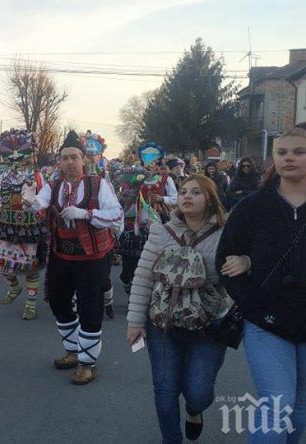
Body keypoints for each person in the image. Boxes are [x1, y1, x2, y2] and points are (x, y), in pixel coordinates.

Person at [127, 175, 237, 443]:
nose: (187, 196)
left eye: (196, 192)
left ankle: (194, 410)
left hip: (208, 326)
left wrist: (243, 260)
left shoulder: (228, 234)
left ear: (210, 199)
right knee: (165, 389)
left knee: (198, 391)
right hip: (163, 323)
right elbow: (143, 276)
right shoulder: (161, 232)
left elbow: (242, 276)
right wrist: (134, 321)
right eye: (184, 191)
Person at [216, 126, 306, 443]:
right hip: (266, 323)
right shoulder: (253, 207)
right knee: (277, 403)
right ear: (273, 159)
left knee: (299, 410)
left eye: (299, 152)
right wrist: (251, 303)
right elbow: (225, 259)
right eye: (282, 152)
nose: (290, 158)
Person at [29, 130, 122, 384]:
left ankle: (87, 363)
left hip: (91, 257)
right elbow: (41, 202)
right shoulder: (53, 185)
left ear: (83, 160)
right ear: (59, 162)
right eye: (64, 158)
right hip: (61, 255)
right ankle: (72, 350)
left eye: (74, 157)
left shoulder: (98, 184)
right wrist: (32, 201)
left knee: (89, 308)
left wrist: (86, 215)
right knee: (58, 302)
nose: (69, 162)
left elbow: (116, 213)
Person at [0, 129, 47, 320]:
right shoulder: (4, 176)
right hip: (7, 225)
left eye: (19, 152)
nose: (15, 157)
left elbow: (45, 197)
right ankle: (15, 287)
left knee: (30, 267)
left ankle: (31, 303)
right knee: (0, 261)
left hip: (29, 226)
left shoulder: (36, 175)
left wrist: (32, 204)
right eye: (11, 153)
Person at [116, 142, 177, 298]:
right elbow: (123, 196)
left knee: (151, 261)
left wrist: (162, 198)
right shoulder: (133, 176)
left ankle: (145, 294)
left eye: (154, 158)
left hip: (156, 223)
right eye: (147, 157)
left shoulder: (165, 178)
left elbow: (176, 198)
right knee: (130, 260)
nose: (150, 161)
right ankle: (127, 280)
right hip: (133, 222)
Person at [83, 132, 120, 319]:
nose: (90, 159)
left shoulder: (105, 181)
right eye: (86, 155)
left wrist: (116, 227)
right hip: (80, 235)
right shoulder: (72, 181)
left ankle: (108, 303)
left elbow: (115, 209)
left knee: (104, 276)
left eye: (93, 155)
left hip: (102, 233)